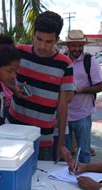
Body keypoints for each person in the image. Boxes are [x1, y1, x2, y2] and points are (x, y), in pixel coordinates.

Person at [7, 11, 75, 162]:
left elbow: (63, 106)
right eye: (39, 39)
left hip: (43, 138)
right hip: (13, 131)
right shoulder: (18, 52)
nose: (42, 46)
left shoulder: (65, 64)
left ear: (57, 39)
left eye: (49, 42)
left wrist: (61, 144)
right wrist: (14, 89)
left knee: (40, 181)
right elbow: (3, 76)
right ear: (33, 35)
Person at [62, 29, 102, 163]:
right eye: (74, 45)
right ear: (68, 46)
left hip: (83, 115)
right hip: (64, 114)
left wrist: (79, 91)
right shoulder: (61, 60)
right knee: (65, 152)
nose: (77, 49)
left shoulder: (90, 61)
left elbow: (101, 86)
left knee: (84, 152)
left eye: (80, 45)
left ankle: (84, 178)